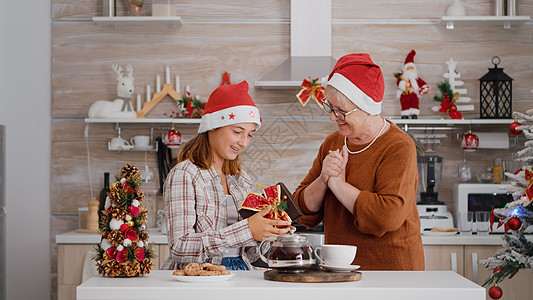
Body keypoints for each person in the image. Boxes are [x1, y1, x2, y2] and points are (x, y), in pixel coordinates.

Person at [293, 53, 424, 271]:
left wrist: (338, 185)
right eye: (330, 108)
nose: (332, 117)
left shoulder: (398, 146)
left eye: (340, 112)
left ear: (367, 108)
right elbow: (301, 209)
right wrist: (324, 179)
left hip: (392, 272)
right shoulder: (332, 142)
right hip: (339, 270)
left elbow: (387, 216)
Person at [162, 81, 292, 271]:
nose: (244, 142)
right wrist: (247, 229)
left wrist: (271, 233)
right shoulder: (184, 174)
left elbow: (250, 253)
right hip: (199, 276)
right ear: (213, 126)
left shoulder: (241, 179)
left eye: (250, 135)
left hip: (241, 272)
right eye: (237, 131)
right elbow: (179, 247)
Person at [396, 50, 430, 119]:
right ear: (405, 70)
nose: (410, 70)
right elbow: (398, 83)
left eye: (412, 68)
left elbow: (423, 84)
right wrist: (404, 85)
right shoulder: (402, 78)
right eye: (408, 68)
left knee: (415, 104)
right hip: (405, 94)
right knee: (405, 104)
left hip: (414, 94)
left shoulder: (417, 79)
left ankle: (414, 114)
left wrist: (425, 89)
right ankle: (405, 115)